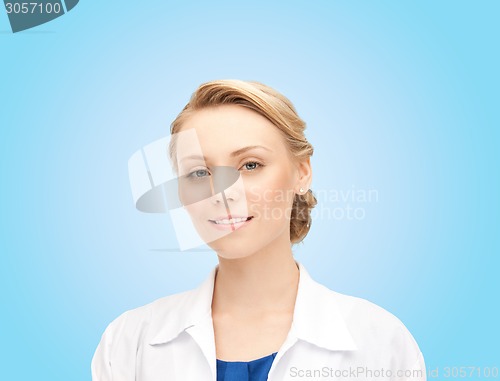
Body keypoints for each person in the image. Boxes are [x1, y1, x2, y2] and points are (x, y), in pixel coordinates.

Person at [91, 80, 426, 381]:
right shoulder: (129, 343)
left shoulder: (380, 342)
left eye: (250, 165)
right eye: (198, 173)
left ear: (302, 172)